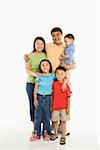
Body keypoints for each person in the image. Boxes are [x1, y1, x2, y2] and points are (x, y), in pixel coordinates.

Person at [25, 37, 47, 141]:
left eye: (42, 44)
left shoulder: (45, 55)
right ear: (34, 44)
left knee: (43, 106)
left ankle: (44, 130)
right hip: (31, 83)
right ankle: (35, 129)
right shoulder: (28, 56)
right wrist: (37, 75)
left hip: (43, 84)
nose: (40, 46)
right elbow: (28, 70)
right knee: (33, 105)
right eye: (38, 44)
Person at [33, 59, 55, 141]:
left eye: (47, 65)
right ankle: (36, 133)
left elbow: (63, 77)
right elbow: (36, 88)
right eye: (43, 65)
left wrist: (65, 81)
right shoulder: (39, 76)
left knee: (47, 116)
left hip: (48, 98)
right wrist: (35, 99)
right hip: (39, 97)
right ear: (40, 67)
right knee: (37, 117)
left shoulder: (53, 76)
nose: (45, 66)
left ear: (50, 66)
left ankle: (46, 132)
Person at [50, 66, 71, 145]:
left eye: (62, 74)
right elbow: (52, 95)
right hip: (55, 107)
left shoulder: (66, 85)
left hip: (64, 107)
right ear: (55, 74)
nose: (59, 75)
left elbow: (68, 97)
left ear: (65, 75)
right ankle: (55, 134)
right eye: (58, 74)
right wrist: (51, 106)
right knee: (55, 121)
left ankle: (63, 136)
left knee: (63, 122)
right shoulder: (54, 84)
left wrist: (68, 108)